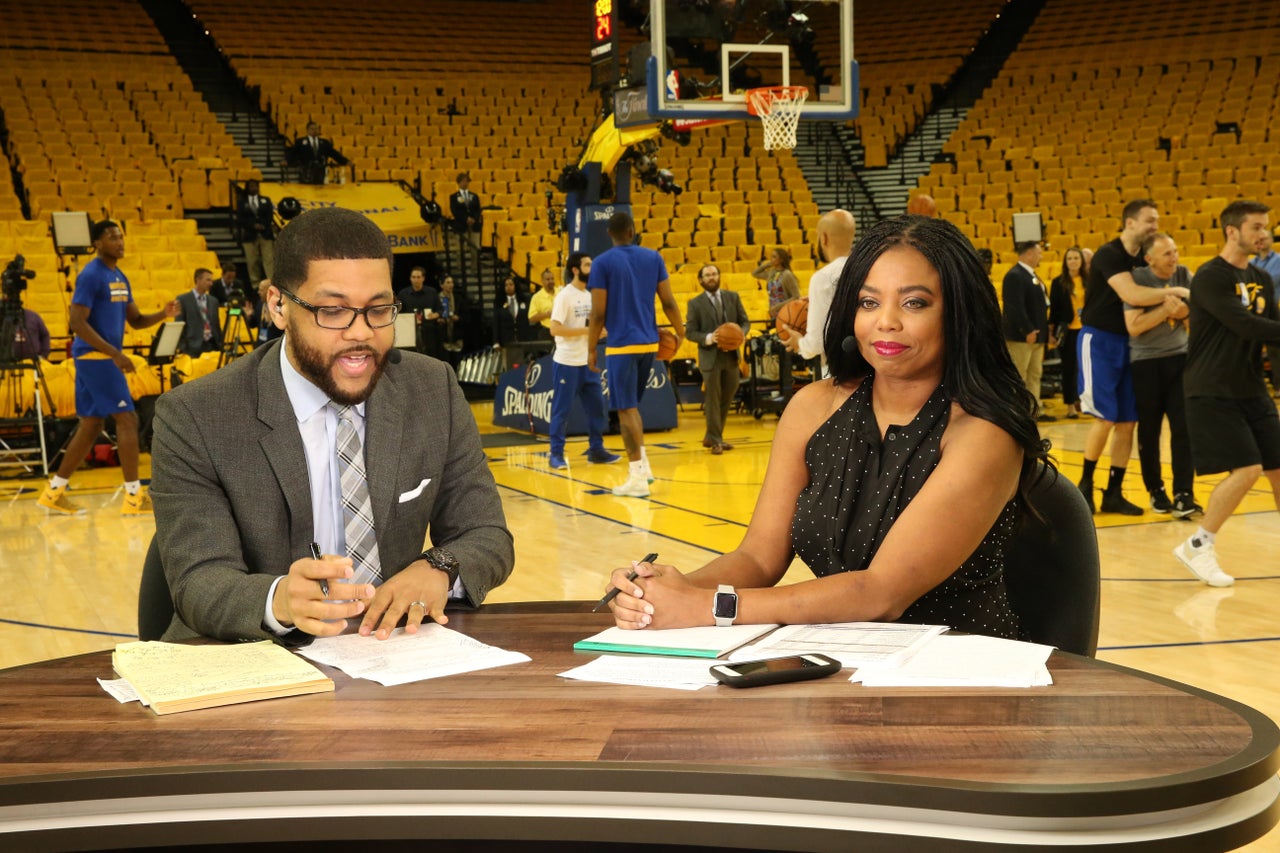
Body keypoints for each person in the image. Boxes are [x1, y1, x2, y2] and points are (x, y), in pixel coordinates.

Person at [603, 215, 1048, 637]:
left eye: (914, 302)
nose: (886, 321)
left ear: (958, 314)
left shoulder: (985, 433)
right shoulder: (813, 407)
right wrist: (660, 592)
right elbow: (758, 557)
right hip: (841, 662)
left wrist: (709, 607)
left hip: (966, 671)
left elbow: (880, 592)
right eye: (869, 302)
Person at [150, 206, 514, 642]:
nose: (361, 333)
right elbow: (198, 580)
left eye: (378, 310)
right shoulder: (195, 415)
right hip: (255, 659)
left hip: (395, 655)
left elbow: (486, 534)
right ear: (278, 306)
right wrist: (279, 599)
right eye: (333, 311)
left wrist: (436, 569)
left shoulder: (432, 388)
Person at [37, 220, 178, 515]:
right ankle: (133, 497)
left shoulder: (119, 276)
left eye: (121, 236)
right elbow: (77, 322)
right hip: (95, 357)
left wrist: (162, 315)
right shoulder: (91, 274)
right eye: (112, 237)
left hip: (99, 358)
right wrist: (115, 354)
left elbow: (136, 320)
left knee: (91, 426)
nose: (120, 241)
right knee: (127, 419)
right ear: (97, 242)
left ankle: (53, 492)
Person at [1175, 200, 1280, 587]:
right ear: (1232, 231)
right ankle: (1198, 545)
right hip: (1211, 386)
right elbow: (1246, 325)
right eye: (1256, 227)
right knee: (1249, 467)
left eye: (1265, 227)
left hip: (1251, 387)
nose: (1263, 234)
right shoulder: (1209, 277)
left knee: (1278, 468)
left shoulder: (1263, 278)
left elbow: (1272, 333)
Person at [1076, 200, 1188, 515]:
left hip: (1130, 344)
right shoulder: (1110, 254)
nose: (1155, 225)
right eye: (1149, 220)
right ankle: (1084, 486)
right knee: (1105, 418)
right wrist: (1179, 293)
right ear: (1129, 223)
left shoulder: (1144, 257)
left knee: (1127, 422)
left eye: (1157, 220)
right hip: (1098, 340)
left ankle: (1114, 491)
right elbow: (1133, 296)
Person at [587, 211, 685, 498]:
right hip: (649, 345)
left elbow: (599, 313)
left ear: (610, 233)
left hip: (622, 346)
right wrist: (680, 333)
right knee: (632, 408)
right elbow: (667, 300)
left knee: (626, 410)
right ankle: (645, 470)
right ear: (632, 231)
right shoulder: (653, 257)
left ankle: (637, 477)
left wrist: (591, 348)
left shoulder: (602, 263)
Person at [1124, 233, 1197, 517]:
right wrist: (1167, 308)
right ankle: (1155, 490)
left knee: (1183, 427)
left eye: (1175, 251)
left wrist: (1181, 314)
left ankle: (1184, 493)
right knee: (1150, 429)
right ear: (1149, 259)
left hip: (1180, 358)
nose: (1174, 258)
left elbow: (1196, 321)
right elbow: (1134, 326)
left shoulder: (1183, 274)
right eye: (1167, 253)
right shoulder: (1137, 280)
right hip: (1146, 362)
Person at [547, 253, 620, 470]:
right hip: (566, 363)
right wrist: (587, 330)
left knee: (597, 408)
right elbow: (555, 328)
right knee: (562, 411)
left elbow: (592, 328)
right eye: (588, 264)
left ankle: (596, 450)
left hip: (588, 361)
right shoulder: (564, 296)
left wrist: (600, 333)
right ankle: (556, 454)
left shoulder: (590, 295)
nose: (592, 267)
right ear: (576, 270)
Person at [685, 263, 750, 454]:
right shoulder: (694, 303)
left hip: (730, 355)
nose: (711, 277)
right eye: (707, 275)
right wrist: (708, 338)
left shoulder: (733, 297)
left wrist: (740, 333)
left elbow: (744, 322)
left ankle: (712, 436)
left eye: (714, 274)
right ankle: (716, 441)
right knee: (713, 399)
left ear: (719, 276)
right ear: (701, 280)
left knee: (728, 396)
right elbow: (690, 332)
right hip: (710, 356)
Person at [783, 209, 856, 376]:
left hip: (840, 372)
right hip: (873, 369)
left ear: (823, 238)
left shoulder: (823, 278)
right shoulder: (869, 268)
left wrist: (799, 344)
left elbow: (816, 343)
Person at [1001, 240, 1055, 422]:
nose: (1041, 256)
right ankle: (1017, 412)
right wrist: (1027, 330)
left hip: (1036, 336)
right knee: (1019, 374)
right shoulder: (1015, 275)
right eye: (1039, 253)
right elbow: (1014, 307)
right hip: (1021, 336)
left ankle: (1034, 409)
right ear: (1029, 253)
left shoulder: (1032, 275)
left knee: (1035, 374)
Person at [1049, 246, 1086, 419]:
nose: (1073, 261)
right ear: (1065, 262)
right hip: (1068, 331)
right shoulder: (1058, 282)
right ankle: (1070, 405)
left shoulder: (1089, 280)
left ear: (1081, 261)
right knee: (1069, 369)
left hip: (1087, 329)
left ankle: (1084, 402)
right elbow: (1054, 310)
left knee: (1086, 368)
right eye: (1069, 258)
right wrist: (1052, 332)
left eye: (1076, 258)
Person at [1252, 230, 1280, 396]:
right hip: (1256, 311)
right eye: (1258, 238)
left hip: (1276, 309)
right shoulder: (1251, 263)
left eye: (1264, 238)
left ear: (1271, 240)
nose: (1261, 240)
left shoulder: (1279, 260)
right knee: (1258, 350)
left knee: (1276, 350)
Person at [175, 267, 224, 357]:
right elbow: (179, 325)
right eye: (208, 280)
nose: (211, 283)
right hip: (192, 347)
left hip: (212, 345)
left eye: (211, 281)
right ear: (198, 280)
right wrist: (183, 347)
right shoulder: (183, 299)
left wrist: (220, 344)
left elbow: (216, 324)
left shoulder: (214, 301)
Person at [236, 180, 275, 288]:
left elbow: (269, 216)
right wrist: (252, 225)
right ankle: (256, 286)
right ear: (247, 188)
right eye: (251, 186)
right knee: (252, 261)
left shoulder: (265, 200)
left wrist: (263, 225)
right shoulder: (242, 202)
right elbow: (240, 219)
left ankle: (271, 283)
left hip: (265, 234)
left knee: (269, 260)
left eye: (255, 186)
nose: (253, 188)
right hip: (249, 235)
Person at [396, 266, 439, 355]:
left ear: (423, 278)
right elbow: (398, 313)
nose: (416, 280)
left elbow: (440, 310)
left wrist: (436, 314)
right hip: (410, 332)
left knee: (431, 355)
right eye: (413, 277)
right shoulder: (403, 294)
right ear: (410, 278)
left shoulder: (432, 292)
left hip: (429, 331)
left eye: (418, 277)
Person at [753, 247, 800, 319]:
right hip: (773, 312)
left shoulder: (787, 274)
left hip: (786, 312)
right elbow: (755, 273)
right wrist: (768, 264)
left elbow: (796, 296)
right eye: (771, 257)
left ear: (781, 260)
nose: (771, 259)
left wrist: (777, 307)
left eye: (774, 257)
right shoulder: (772, 272)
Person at [493, 276, 529, 367]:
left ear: (515, 286)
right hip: (507, 341)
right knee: (509, 367)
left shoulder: (523, 300)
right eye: (506, 285)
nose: (509, 287)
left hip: (522, 339)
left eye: (511, 284)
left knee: (523, 367)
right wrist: (496, 341)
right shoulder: (499, 302)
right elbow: (496, 323)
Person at [449, 172, 482, 251]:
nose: (465, 183)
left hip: (474, 226)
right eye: (463, 181)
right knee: (459, 250)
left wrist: (474, 219)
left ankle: (474, 264)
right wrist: (466, 219)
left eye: (466, 181)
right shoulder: (453, 197)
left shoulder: (474, 196)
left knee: (475, 249)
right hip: (461, 225)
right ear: (458, 183)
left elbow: (478, 209)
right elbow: (455, 211)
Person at [526, 268, 558, 342]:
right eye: (548, 279)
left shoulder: (561, 293)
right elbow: (531, 317)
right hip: (546, 332)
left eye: (552, 279)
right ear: (542, 281)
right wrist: (547, 314)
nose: (551, 281)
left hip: (562, 330)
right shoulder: (536, 297)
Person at [255, 279, 283, 347]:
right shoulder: (260, 304)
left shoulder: (280, 306)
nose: (258, 292)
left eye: (261, 290)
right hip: (261, 345)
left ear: (269, 291)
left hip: (275, 346)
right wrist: (248, 316)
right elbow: (254, 323)